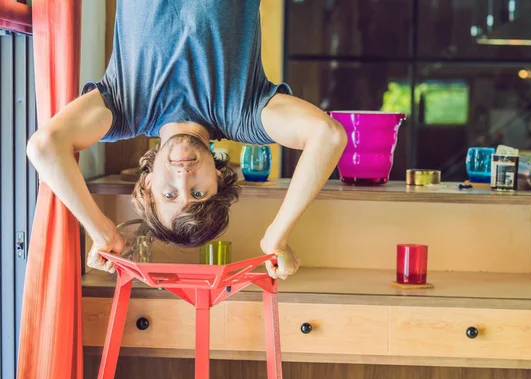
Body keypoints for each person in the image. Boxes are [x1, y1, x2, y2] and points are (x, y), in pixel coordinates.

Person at [26, 0, 347, 280]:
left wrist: (102, 231)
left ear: (147, 183)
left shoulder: (123, 109)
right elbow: (328, 136)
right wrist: (277, 236)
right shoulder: (244, 114)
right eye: (197, 192)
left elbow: (44, 147)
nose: (182, 178)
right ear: (219, 179)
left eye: (169, 194)